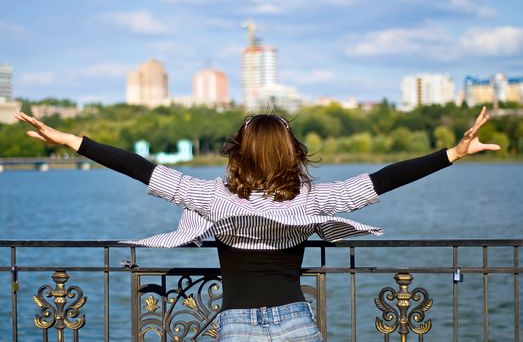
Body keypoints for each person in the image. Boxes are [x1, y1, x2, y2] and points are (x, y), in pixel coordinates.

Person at [15, 107, 499, 341]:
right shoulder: (314, 199)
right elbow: (384, 179)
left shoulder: (210, 197)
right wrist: (453, 154)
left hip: (237, 327)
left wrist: (71, 141)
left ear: (237, 152)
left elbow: (139, 166)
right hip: (297, 323)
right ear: (291, 152)